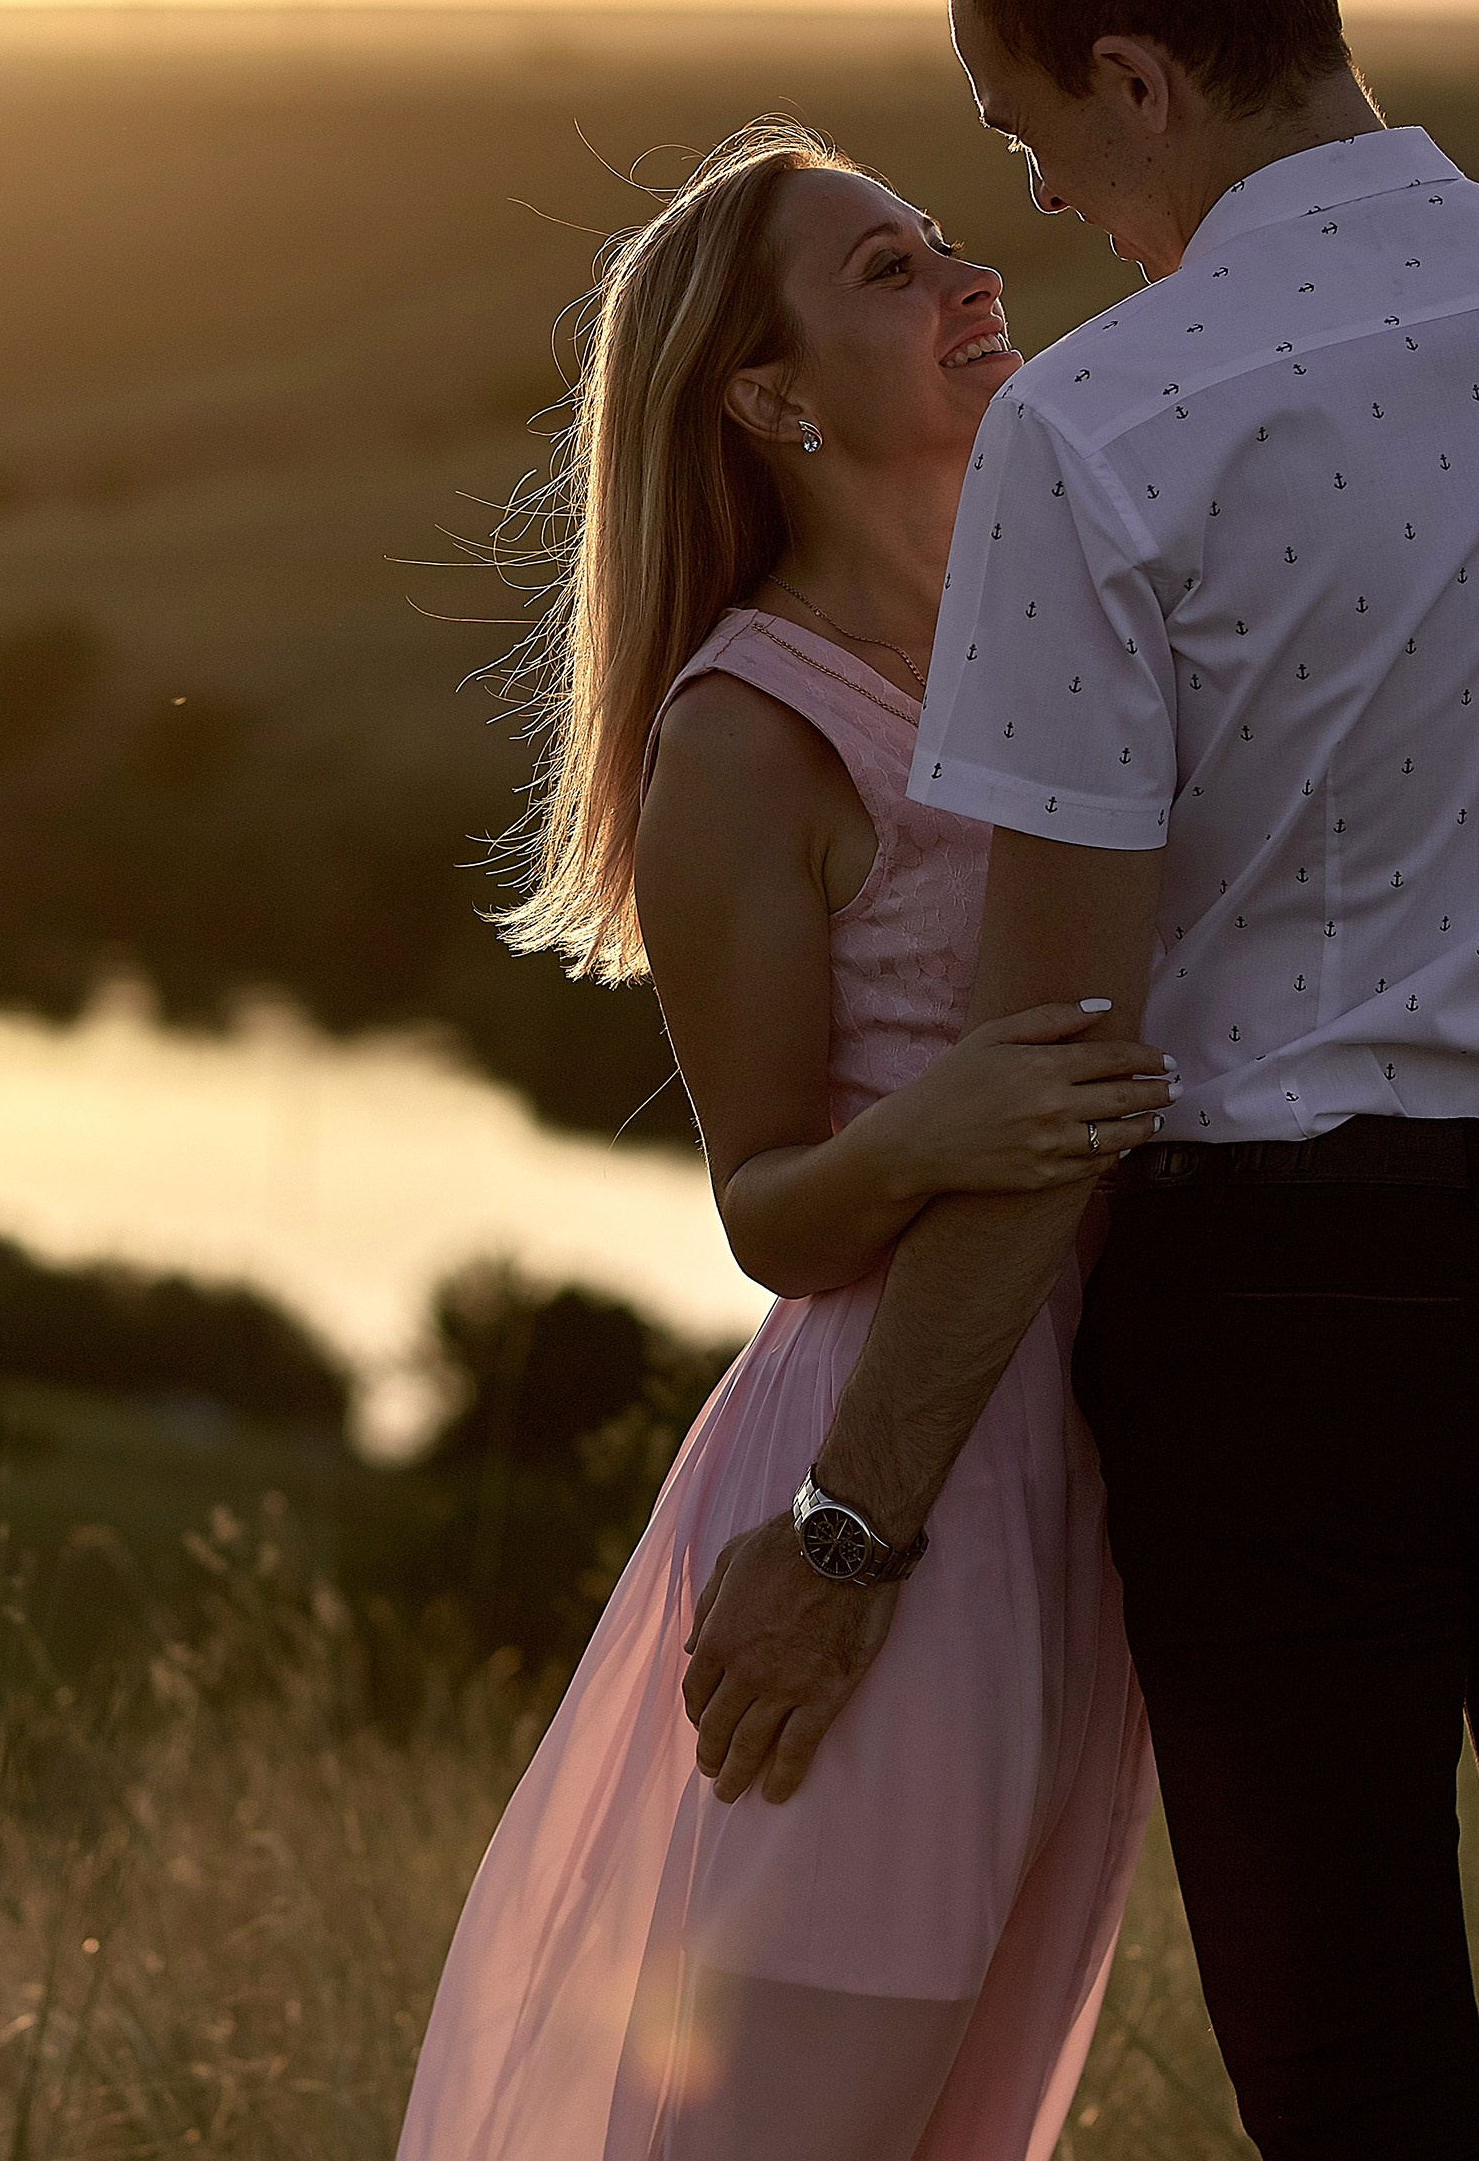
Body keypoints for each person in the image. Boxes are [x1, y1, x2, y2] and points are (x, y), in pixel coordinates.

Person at [677, 0, 1479, 2161]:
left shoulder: (1106, 420)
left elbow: (1052, 1067)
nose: (1038, 203)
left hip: (1287, 1338)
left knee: (1359, 2074)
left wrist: (847, 1532)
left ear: (1141, 78)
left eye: (1026, 129)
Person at [394, 111, 1171, 2161]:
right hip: (897, 1463)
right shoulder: (745, 733)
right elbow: (764, 1211)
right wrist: (942, 1122)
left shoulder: (1058, 609)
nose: (964, 272)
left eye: (932, 235)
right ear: (761, 395)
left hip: (1068, 1450)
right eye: (886, 273)